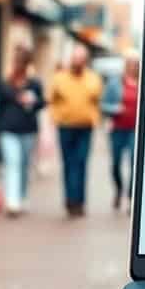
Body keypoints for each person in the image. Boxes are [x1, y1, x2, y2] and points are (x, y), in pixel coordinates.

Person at [49, 45, 103, 216]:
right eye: (75, 58)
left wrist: (95, 118)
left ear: (85, 61)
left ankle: (79, 202)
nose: (77, 62)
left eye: (81, 59)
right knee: (68, 164)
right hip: (65, 126)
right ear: (71, 60)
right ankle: (70, 200)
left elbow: (97, 100)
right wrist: (55, 117)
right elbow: (52, 100)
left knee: (81, 163)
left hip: (85, 127)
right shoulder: (60, 78)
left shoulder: (94, 79)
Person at [0, 45, 44, 216]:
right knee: (12, 163)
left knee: (24, 165)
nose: (18, 64)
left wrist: (32, 102)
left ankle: (22, 196)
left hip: (28, 130)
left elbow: (42, 104)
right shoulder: (4, 83)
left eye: (21, 61)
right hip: (8, 130)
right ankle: (12, 201)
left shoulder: (35, 84)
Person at [103, 53, 140, 211]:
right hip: (117, 129)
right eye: (130, 63)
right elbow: (104, 104)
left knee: (134, 163)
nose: (133, 66)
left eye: (136, 64)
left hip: (135, 130)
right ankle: (118, 189)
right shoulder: (114, 83)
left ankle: (131, 197)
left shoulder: (144, 82)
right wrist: (115, 109)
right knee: (116, 163)